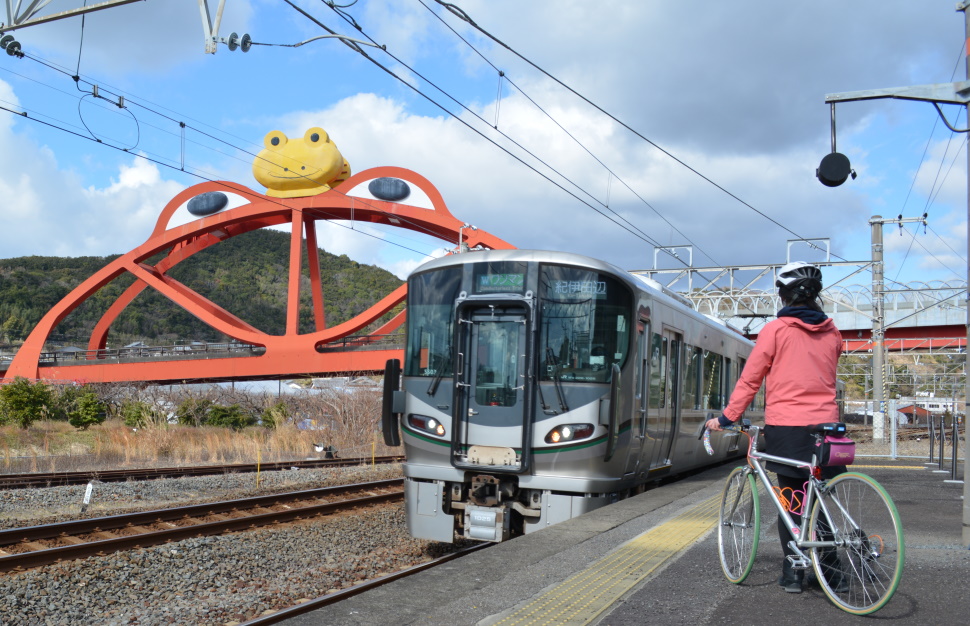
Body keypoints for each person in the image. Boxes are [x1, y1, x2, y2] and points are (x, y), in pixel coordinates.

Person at [705, 261, 845, 594]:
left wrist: (726, 418)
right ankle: (831, 571)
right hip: (829, 430)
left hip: (788, 430)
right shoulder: (833, 331)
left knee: (793, 503)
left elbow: (750, 379)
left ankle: (794, 572)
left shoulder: (775, 331)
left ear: (783, 294)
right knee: (820, 501)